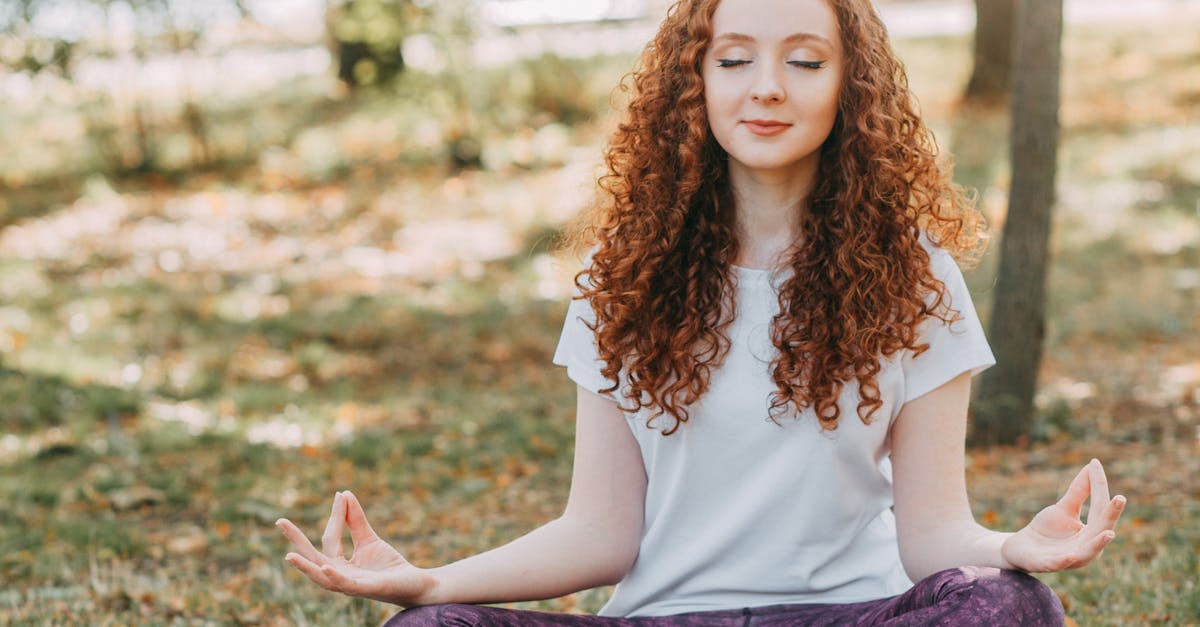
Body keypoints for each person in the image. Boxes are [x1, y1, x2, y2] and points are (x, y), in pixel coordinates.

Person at [275, 0, 1127, 624]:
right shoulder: (622, 278)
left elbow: (934, 531)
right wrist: (431, 581)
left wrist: (1013, 547)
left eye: (803, 59)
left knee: (1011, 607)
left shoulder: (915, 276)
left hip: (855, 615)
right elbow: (599, 531)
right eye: (733, 60)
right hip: (664, 616)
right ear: (695, 81)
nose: (766, 89)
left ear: (849, 86)